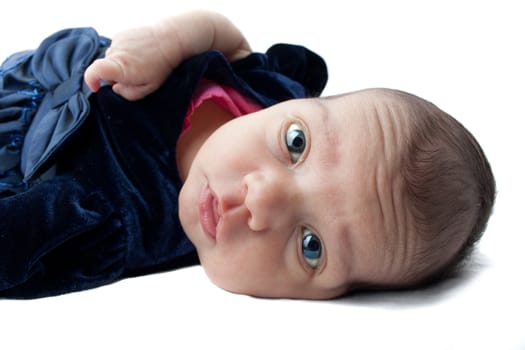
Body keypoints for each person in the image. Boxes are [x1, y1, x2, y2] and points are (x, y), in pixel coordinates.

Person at [0, 10, 495, 299]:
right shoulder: (266, 90)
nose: (262, 200)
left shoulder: (121, 224)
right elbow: (227, 38)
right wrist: (167, 41)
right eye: (297, 145)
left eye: (311, 247)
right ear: (305, 105)